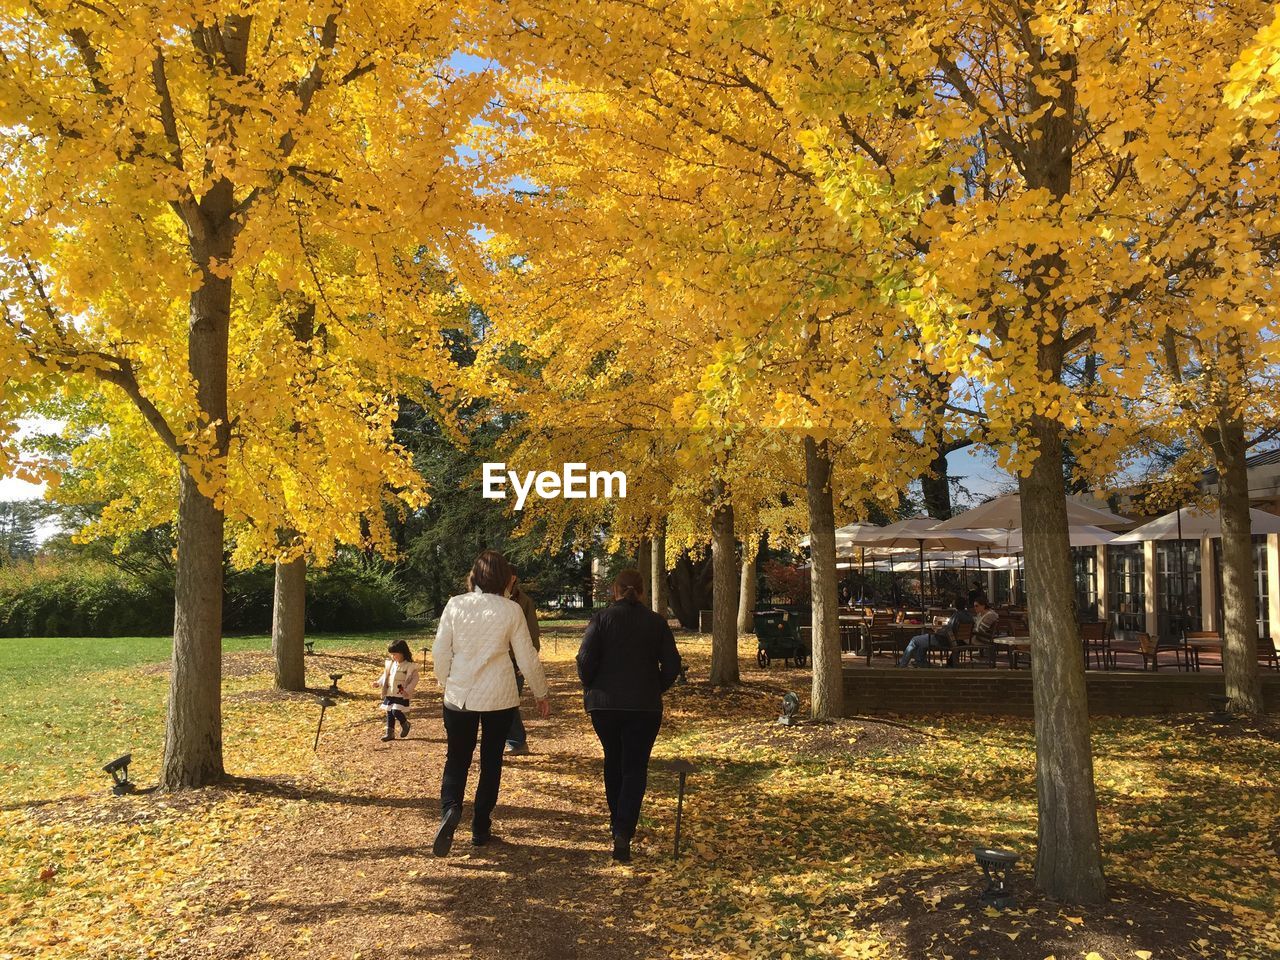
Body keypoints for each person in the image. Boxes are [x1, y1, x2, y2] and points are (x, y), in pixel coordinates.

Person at [432, 550, 550, 856]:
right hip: (500, 697)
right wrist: (541, 693)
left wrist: (446, 682)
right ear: (505, 579)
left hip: (461, 696)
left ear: (474, 576)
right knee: (491, 762)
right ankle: (481, 828)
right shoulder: (511, 610)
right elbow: (526, 656)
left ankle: (451, 810)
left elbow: (440, 651)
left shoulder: (455, 605)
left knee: (457, 758)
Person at [577, 569, 682, 864]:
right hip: (644, 707)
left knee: (614, 760)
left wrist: (592, 685)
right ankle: (623, 828)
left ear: (615, 590)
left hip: (604, 705)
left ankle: (617, 825)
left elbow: (585, 661)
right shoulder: (656, 623)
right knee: (635, 767)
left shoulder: (601, 619)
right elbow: (673, 665)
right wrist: (655, 686)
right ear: (643, 592)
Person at [505, 572, 541, 756]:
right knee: (501, 704)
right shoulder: (493, 599)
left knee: (510, 703)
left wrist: (524, 664)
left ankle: (517, 741)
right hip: (499, 660)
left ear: (513, 578)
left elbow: (532, 633)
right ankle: (512, 741)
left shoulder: (524, 602)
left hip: (515, 660)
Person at [897, 596, 974, 667]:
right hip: (957, 641)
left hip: (943, 640)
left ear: (956, 605)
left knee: (914, 640)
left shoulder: (956, 616)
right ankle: (920, 661)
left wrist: (938, 630)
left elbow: (949, 629)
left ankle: (903, 664)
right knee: (922, 640)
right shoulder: (969, 616)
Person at [373, 639, 419, 742]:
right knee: (389, 712)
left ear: (403, 653)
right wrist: (378, 682)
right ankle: (390, 733)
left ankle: (405, 724)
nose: (393, 657)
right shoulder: (391, 664)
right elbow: (386, 675)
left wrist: (408, 689)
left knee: (395, 711)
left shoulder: (410, 666)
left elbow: (415, 679)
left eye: (395, 654)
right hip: (390, 692)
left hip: (401, 694)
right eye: (391, 654)